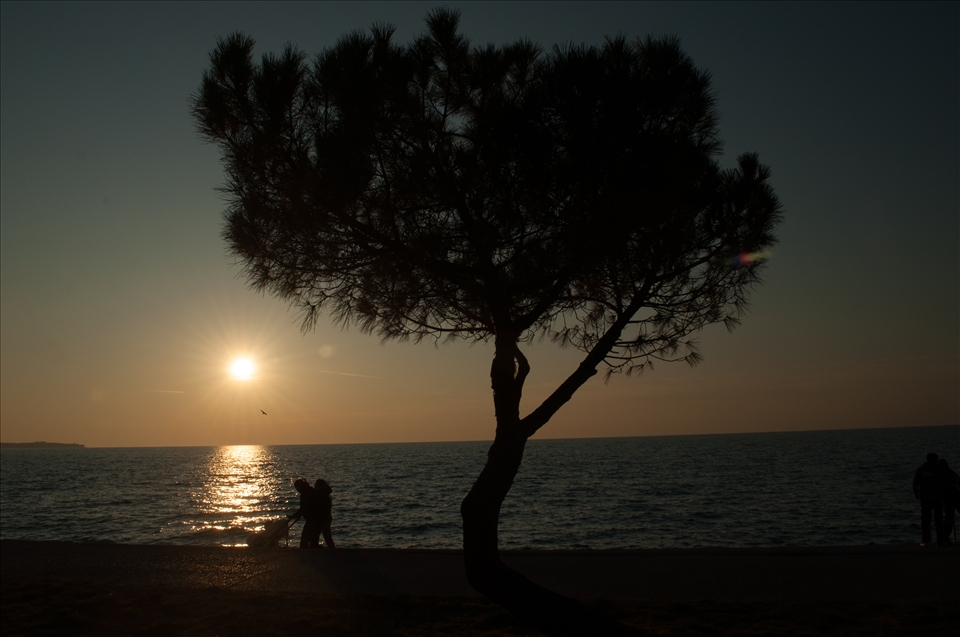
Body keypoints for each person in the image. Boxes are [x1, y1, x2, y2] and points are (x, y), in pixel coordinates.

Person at [912, 453, 943, 547]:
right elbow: (943, 483)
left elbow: (915, 483)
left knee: (925, 520)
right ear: (934, 460)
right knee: (939, 520)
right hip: (936, 498)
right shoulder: (938, 469)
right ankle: (940, 541)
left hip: (925, 498)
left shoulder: (921, 469)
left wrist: (917, 495)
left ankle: (925, 541)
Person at [288, 478, 322, 549]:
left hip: (312, 520)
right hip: (318, 518)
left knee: (304, 541)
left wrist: (294, 516)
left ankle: (305, 556)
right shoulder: (310, 491)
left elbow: (304, 508)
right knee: (314, 541)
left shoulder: (305, 493)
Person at [936, 459, 960, 545]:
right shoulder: (948, 473)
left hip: (949, 498)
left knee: (948, 519)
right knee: (948, 519)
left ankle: (945, 537)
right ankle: (945, 537)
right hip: (952, 498)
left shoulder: (939, 475)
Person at [314, 478, 336, 549]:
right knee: (328, 537)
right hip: (327, 518)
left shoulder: (321, 496)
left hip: (323, 519)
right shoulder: (327, 495)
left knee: (316, 535)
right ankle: (333, 550)